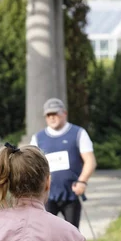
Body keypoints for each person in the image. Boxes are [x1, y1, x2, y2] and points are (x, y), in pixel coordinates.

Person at [31, 97, 96, 228]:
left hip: (72, 194)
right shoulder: (38, 138)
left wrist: (82, 181)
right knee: (47, 235)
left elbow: (90, 161)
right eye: (48, 115)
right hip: (47, 196)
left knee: (71, 234)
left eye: (55, 113)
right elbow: (32, 165)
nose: (52, 117)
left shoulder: (78, 133)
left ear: (64, 113)